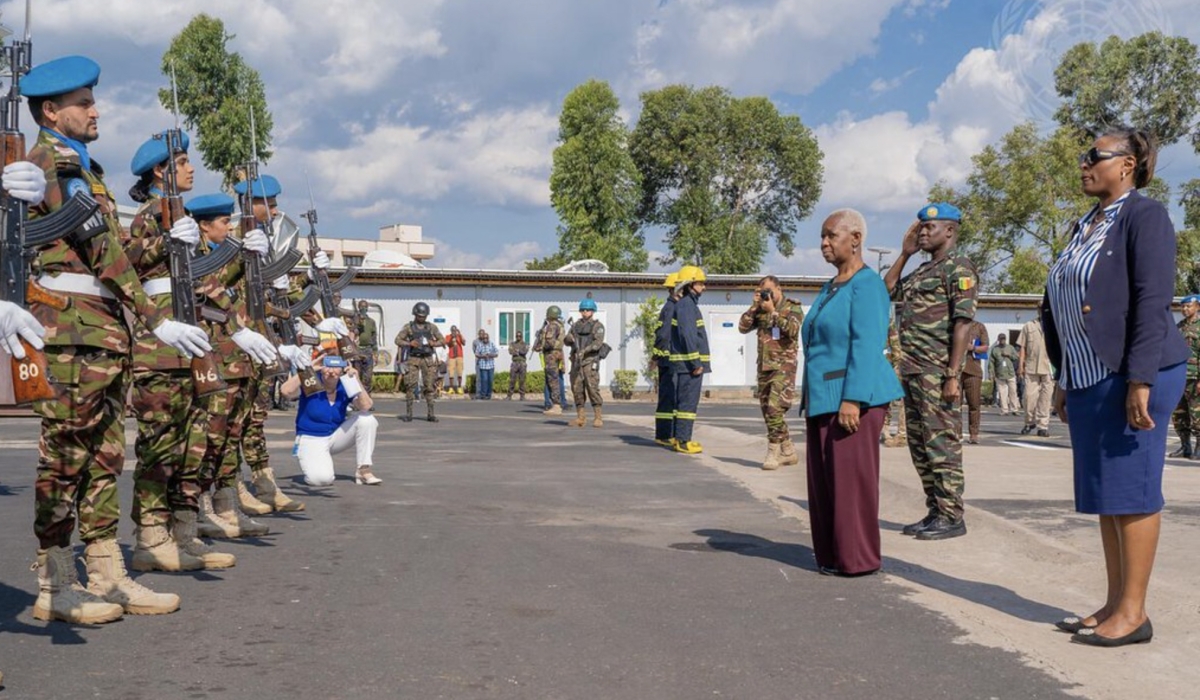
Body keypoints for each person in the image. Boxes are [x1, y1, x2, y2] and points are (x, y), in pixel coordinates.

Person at [23, 55, 214, 621]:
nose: (94, 110)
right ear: (52, 111)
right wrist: (155, 318)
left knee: (105, 457)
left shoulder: (88, 168)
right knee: (65, 457)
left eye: (92, 100)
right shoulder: (49, 163)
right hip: (71, 333)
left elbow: (116, 256)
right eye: (83, 103)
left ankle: (106, 570)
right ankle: (56, 583)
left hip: (103, 331)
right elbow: (104, 256)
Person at [1044, 128, 1187, 646]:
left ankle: (1135, 613)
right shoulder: (1085, 224)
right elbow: (1059, 303)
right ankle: (1114, 603)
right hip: (1087, 375)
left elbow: (1153, 301)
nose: (1084, 164)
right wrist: (1064, 375)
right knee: (1108, 496)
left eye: (1094, 157)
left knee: (1134, 493)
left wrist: (1141, 379)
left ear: (1127, 164)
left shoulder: (1143, 216)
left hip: (1132, 373)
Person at [123, 131, 242, 571]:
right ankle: (150, 539)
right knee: (159, 448)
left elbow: (204, 282)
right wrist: (167, 241)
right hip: (158, 346)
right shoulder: (150, 215)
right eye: (183, 162)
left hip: (190, 341)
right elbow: (127, 260)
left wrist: (234, 321)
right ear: (161, 171)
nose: (192, 169)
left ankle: (182, 533)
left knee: (190, 445)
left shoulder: (182, 218)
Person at [802, 210, 903, 576]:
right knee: (826, 485)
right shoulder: (831, 287)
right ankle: (833, 555)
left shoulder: (867, 285)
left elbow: (866, 344)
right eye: (822, 237)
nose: (824, 244)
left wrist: (853, 398)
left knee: (851, 485)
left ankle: (858, 559)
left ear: (856, 239)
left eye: (831, 236)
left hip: (852, 398)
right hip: (822, 398)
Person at [185, 192, 278, 555]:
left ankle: (224, 504)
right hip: (214, 356)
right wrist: (241, 255)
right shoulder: (194, 253)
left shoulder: (216, 253)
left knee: (228, 435)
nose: (230, 226)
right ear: (205, 225)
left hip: (235, 357)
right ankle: (202, 507)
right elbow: (211, 287)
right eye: (224, 222)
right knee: (208, 437)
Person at [884, 202, 978, 541]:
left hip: (937, 372)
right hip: (911, 371)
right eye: (920, 227)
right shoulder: (923, 270)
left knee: (943, 445)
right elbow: (887, 290)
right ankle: (935, 510)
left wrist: (953, 375)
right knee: (920, 445)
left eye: (929, 228)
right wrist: (905, 254)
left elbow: (963, 324)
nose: (922, 232)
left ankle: (952, 515)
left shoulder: (959, 268)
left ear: (949, 231)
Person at [282, 354, 380, 487]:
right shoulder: (311, 382)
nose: (331, 371)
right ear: (321, 368)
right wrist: (307, 370)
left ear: (342, 369)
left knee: (367, 420)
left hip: (334, 437)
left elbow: (366, 406)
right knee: (322, 480)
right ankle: (315, 462)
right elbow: (286, 391)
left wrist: (356, 381)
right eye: (328, 367)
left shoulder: (345, 384)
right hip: (311, 438)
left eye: (336, 368)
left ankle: (364, 470)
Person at [739, 274, 803, 469]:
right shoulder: (760, 309)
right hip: (764, 367)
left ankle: (772, 453)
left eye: (768, 291)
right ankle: (788, 450)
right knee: (768, 412)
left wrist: (774, 312)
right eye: (762, 291)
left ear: (778, 289)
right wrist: (754, 306)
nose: (766, 295)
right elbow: (742, 327)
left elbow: (792, 330)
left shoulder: (792, 307)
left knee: (775, 408)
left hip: (784, 367)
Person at [669, 266, 710, 454]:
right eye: (701, 283)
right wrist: (696, 363)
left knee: (683, 403)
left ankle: (680, 439)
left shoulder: (687, 304)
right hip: (689, 366)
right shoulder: (687, 305)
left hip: (686, 365)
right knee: (687, 404)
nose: (704, 287)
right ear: (691, 284)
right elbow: (688, 335)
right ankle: (684, 441)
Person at [396, 302, 443, 421]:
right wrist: (409, 343)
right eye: (419, 316)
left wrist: (434, 343)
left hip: (427, 358)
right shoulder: (408, 327)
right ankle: (409, 414)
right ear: (415, 315)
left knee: (429, 386)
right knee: (410, 385)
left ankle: (431, 414)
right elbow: (398, 340)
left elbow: (442, 340)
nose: (422, 318)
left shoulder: (431, 327)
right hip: (413, 358)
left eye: (424, 316)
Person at [564, 299, 607, 427]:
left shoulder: (597, 326)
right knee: (577, 389)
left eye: (587, 310)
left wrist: (585, 350)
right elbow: (566, 341)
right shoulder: (575, 326)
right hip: (577, 362)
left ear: (592, 311)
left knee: (592, 388)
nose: (584, 312)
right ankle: (580, 417)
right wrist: (569, 338)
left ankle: (598, 417)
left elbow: (597, 343)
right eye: (582, 310)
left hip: (589, 361)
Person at [1168, 295, 1200, 459]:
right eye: (1183, 307)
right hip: (1179, 376)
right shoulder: (1178, 327)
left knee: (1197, 414)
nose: (1185, 309)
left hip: (1195, 378)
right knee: (1179, 414)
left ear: (1197, 307)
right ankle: (1185, 446)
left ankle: (1199, 448)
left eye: (1189, 306)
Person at [653, 273, 681, 447]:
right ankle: (664, 434)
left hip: (666, 359)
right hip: (669, 360)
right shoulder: (672, 309)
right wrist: (658, 356)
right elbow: (664, 335)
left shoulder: (669, 307)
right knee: (668, 398)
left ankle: (666, 433)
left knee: (668, 397)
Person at [1020, 316, 1054, 437]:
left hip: (1049, 367)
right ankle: (1029, 422)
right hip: (1031, 366)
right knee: (1029, 397)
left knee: (1045, 399)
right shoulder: (1029, 326)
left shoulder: (1054, 324)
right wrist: (1021, 365)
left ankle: (1043, 426)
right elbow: (1022, 347)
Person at [959, 321, 989, 444]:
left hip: (973, 370)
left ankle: (974, 434)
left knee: (974, 404)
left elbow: (985, 347)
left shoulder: (979, 327)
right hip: (956, 370)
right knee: (955, 404)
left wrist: (973, 348)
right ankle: (956, 432)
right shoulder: (955, 325)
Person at [534, 306, 567, 416]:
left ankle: (556, 405)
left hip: (551, 355)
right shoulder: (560, 325)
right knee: (555, 379)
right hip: (557, 354)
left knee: (552, 380)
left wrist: (540, 347)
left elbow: (549, 342)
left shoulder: (552, 326)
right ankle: (556, 404)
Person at [882, 322, 908, 448]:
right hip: (880, 365)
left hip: (890, 365)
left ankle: (901, 434)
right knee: (884, 401)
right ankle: (885, 432)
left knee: (900, 400)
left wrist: (897, 365)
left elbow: (895, 344)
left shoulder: (887, 320)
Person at [989, 333, 1020, 416]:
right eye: (1001, 339)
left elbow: (1016, 357)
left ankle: (1014, 409)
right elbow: (991, 362)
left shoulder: (1010, 348)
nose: (1002, 340)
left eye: (1004, 339)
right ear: (998, 339)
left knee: (1013, 391)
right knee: (1002, 393)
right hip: (1000, 374)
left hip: (1010, 373)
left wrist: (1009, 355)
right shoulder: (995, 349)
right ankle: (1004, 410)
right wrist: (991, 372)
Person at [353, 300, 378, 391]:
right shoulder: (354, 320)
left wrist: (375, 353)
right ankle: (357, 399)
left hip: (368, 350)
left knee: (368, 376)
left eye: (365, 307)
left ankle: (367, 397)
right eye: (361, 306)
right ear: (358, 307)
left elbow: (374, 337)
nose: (363, 308)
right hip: (357, 350)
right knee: (356, 376)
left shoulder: (371, 322)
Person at [473, 329, 499, 400]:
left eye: (486, 338)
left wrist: (490, 355)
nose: (485, 339)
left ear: (488, 338)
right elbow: (476, 354)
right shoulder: (479, 345)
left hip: (491, 366)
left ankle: (489, 394)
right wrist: (483, 356)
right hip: (483, 365)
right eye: (484, 338)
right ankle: (483, 395)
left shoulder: (492, 343)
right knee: (484, 380)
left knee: (490, 380)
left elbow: (497, 353)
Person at [507, 330, 529, 400]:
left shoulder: (524, 344)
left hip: (522, 363)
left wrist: (518, 351)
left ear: (522, 336)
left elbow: (524, 352)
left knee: (522, 380)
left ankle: (522, 396)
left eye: (519, 336)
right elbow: (510, 351)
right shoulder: (512, 344)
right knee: (512, 379)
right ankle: (509, 395)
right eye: (517, 336)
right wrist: (517, 351)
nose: (518, 337)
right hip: (514, 363)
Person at [444, 325, 465, 394]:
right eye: (452, 330)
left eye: (455, 330)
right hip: (451, 357)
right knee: (451, 373)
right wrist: (452, 338)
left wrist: (460, 334)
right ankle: (451, 388)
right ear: (451, 331)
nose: (454, 332)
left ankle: (459, 387)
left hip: (459, 356)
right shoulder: (448, 336)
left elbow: (464, 343)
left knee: (459, 372)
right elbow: (449, 345)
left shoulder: (459, 336)